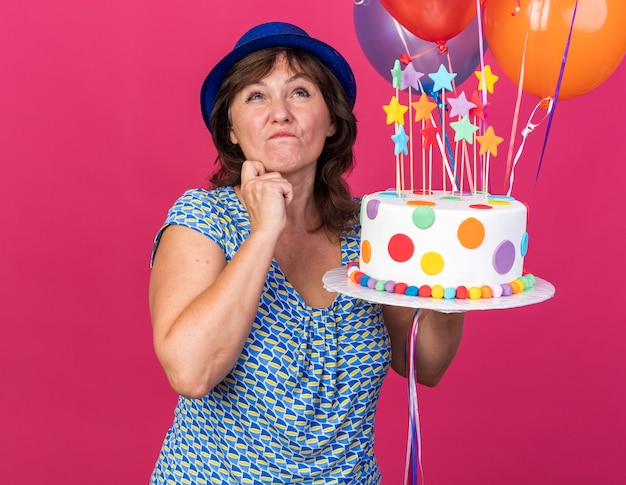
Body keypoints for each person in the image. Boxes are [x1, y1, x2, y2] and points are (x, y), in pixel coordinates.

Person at [149, 21, 464, 484]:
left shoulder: (371, 228)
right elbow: (191, 372)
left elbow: (423, 364)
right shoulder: (203, 218)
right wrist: (264, 233)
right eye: (256, 96)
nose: (280, 113)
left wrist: (456, 287)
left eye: (300, 92)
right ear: (231, 129)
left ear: (332, 119)